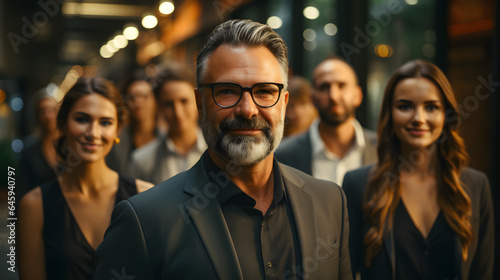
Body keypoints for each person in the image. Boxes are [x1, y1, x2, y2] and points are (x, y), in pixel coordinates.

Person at [94, 19, 352, 280]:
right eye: (227, 91)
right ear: (200, 103)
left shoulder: (330, 202)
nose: (248, 110)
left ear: (283, 103)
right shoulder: (144, 221)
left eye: (264, 91)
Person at [342, 60, 494, 280]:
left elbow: (483, 272)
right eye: (405, 106)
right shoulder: (358, 184)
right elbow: (345, 271)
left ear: (446, 114)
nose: (418, 118)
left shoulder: (476, 186)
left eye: (431, 107)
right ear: (389, 114)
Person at [17, 77, 154, 280]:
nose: (93, 133)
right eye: (82, 119)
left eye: (105, 122)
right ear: (62, 124)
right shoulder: (35, 206)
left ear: (117, 130)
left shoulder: (146, 196)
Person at [275, 56, 377, 186]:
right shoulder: (283, 155)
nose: (333, 96)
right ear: (313, 98)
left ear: (358, 95)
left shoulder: (383, 149)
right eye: (324, 87)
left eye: (342, 85)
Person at [131, 63, 206, 184]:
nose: (178, 112)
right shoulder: (142, 161)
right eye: (168, 104)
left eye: (184, 101)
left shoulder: (219, 153)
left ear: (198, 100)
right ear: (159, 106)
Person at [106, 68, 159, 175]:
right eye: (132, 97)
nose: (138, 102)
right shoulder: (117, 143)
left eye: (144, 96)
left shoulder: (167, 139)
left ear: (155, 100)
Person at [19, 89, 60, 194]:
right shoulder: (29, 149)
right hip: (39, 206)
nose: (48, 115)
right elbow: (22, 187)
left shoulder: (73, 144)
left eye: (52, 110)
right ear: (37, 115)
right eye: (42, 111)